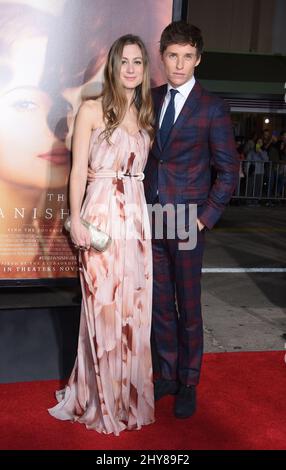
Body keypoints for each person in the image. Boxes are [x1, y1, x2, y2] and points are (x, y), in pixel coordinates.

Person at [48, 34, 155, 435]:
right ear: (113, 66)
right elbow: (77, 172)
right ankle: (99, 398)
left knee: (133, 309)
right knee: (103, 307)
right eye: (124, 61)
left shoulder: (145, 115)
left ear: (144, 70)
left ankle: (126, 398)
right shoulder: (92, 110)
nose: (130, 68)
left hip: (136, 218)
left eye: (138, 62)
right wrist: (76, 220)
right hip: (100, 214)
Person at [144, 21, 239, 418]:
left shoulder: (212, 106)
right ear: (162, 57)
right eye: (172, 56)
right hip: (151, 216)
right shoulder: (148, 99)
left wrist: (204, 218)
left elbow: (229, 169)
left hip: (186, 219)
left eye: (187, 57)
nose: (179, 64)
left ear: (197, 59)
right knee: (160, 305)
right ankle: (166, 373)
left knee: (189, 306)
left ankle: (189, 381)